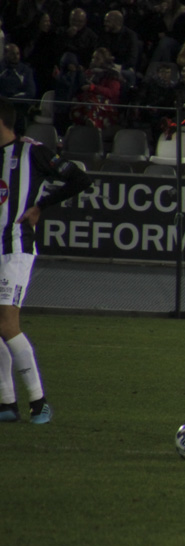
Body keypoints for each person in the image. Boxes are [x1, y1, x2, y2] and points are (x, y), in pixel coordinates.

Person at [0, 98, 91, 424]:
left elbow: (81, 179)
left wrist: (41, 206)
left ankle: (39, 402)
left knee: (7, 324)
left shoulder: (32, 152)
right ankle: (7, 404)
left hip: (16, 249)